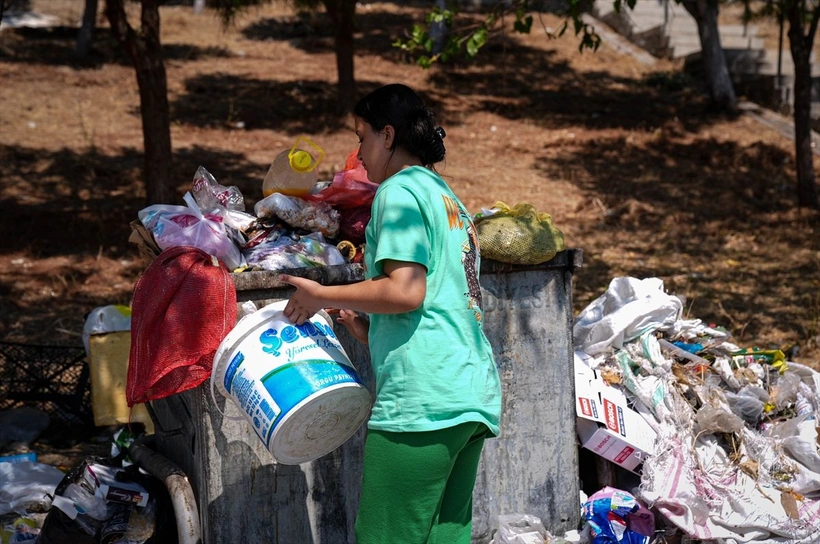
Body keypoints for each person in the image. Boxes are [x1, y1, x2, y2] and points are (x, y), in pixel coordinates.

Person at [279, 83, 502, 544]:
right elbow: (440, 301)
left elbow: (406, 291)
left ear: (387, 134)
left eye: (361, 138)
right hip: (468, 393)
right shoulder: (446, 198)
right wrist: (367, 330)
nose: (357, 155)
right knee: (444, 536)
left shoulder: (398, 193)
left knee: (385, 536)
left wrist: (320, 294)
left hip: (423, 403)